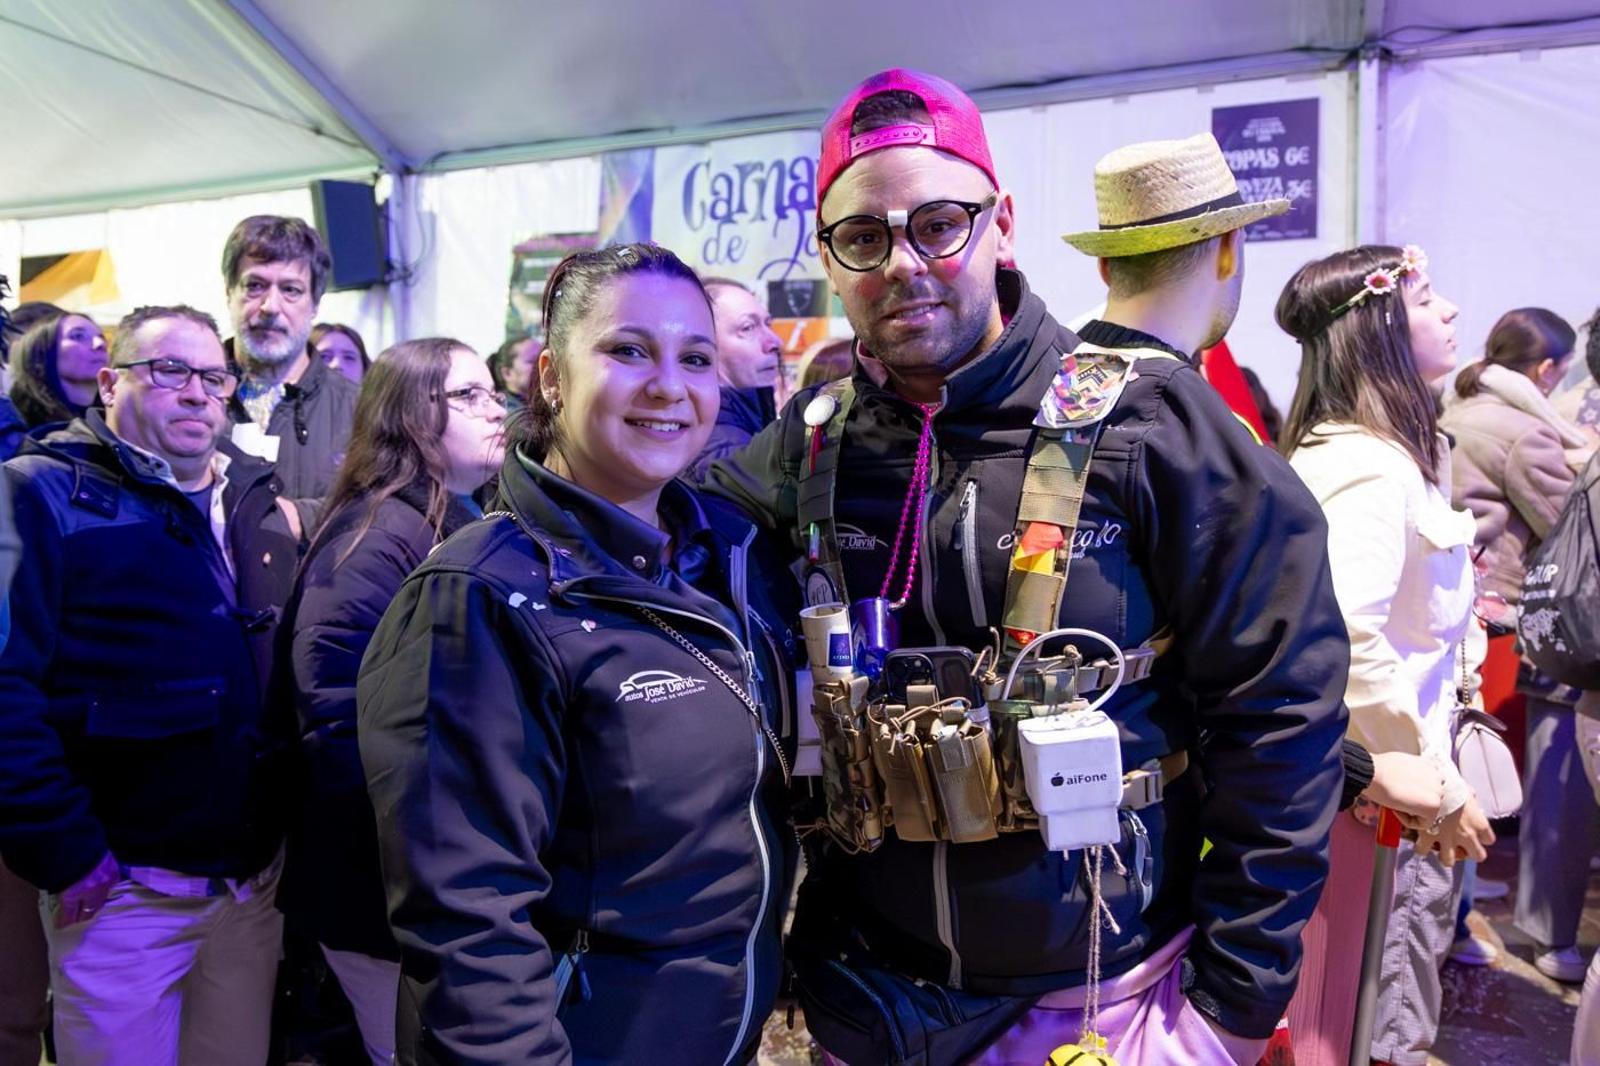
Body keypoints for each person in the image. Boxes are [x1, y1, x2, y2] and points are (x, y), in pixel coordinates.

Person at [708, 73, 1347, 1064]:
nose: (904, 264)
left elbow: (1284, 711)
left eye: (939, 225)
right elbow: (654, 556)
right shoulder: (812, 445)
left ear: (1002, 223)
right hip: (871, 995)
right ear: (831, 261)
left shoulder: (1144, 422)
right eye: (864, 239)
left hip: (1102, 997)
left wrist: (1231, 1002)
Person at [357, 243, 799, 1065]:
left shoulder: (723, 554)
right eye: (629, 350)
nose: (669, 385)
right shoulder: (479, 596)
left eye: (695, 358)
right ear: (552, 378)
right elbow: (467, 921)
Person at [0, 304, 305, 1066]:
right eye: (169, 371)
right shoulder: (35, 493)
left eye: (213, 376)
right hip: (122, 890)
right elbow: (4, 689)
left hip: (251, 886)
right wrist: (64, 851)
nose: (198, 392)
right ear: (109, 384)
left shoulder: (252, 497)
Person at [1277, 245, 1497, 1066]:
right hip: (1385, 807)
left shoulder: (1383, 451)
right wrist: (1421, 781)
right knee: (1380, 1019)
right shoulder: (1369, 465)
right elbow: (1347, 634)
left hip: (1388, 795)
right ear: (1378, 329)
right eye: (1427, 297)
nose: (1449, 313)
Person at [278, 337, 505, 1066]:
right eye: (469, 395)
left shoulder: (441, 517)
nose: (495, 408)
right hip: (380, 886)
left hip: (420, 879)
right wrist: (423, 855)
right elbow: (332, 715)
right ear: (412, 414)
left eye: (494, 390)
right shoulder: (378, 535)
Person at [1440, 307, 1598, 984]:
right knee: (1520, 776)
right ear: (1545, 370)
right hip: (1517, 616)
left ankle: (1465, 914)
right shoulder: (1524, 431)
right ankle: (1506, 926)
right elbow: (1569, 523)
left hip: (1463, 604)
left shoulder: (1460, 405)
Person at [223, 215, 359, 498]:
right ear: (228, 292)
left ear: (315, 304)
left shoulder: (359, 411)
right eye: (255, 286)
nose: (270, 306)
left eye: (290, 290)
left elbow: (375, 510)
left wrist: (300, 518)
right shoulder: (192, 397)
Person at [688, 278, 784, 481]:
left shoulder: (743, 424)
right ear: (702, 349)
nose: (775, 342)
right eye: (748, 327)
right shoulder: (721, 452)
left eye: (767, 324)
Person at [8, 310, 107, 430]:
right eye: (78, 336)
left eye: (101, 337)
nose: (99, 344)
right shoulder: (17, 424)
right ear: (43, 352)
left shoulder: (116, 417)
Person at [489, 332, 541, 413]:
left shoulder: (534, 405)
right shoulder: (509, 412)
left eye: (541, 359)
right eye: (532, 361)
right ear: (507, 373)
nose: (540, 365)